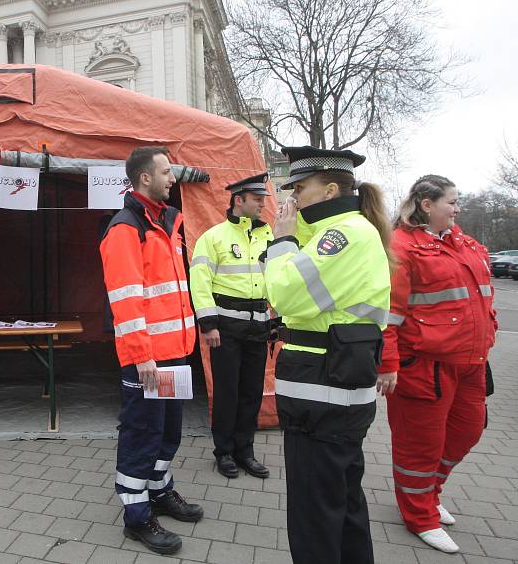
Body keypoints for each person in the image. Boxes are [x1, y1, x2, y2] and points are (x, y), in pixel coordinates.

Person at [264, 146, 392, 564]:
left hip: (322, 396)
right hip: (333, 393)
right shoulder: (341, 231)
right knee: (343, 504)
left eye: (300, 188)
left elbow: (284, 293)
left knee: (314, 515)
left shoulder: (342, 235)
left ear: (330, 189)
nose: (293, 199)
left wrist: (282, 239)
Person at [378, 175, 496, 553]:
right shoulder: (401, 246)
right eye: (452, 201)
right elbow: (388, 315)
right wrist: (388, 364)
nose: (458, 208)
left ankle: (429, 493)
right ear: (427, 205)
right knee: (420, 446)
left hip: (471, 362)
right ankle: (419, 516)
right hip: (424, 366)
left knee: (468, 431)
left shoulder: (463, 244)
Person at [100, 146, 203, 555]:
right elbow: (126, 301)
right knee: (142, 434)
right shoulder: (126, 228)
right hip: (148, 360)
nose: (172, 178)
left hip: (173, 353)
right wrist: (143, 355)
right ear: (145, 178)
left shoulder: (166, 223)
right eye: (165, 172)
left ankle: (160, 490)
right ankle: (136, 517)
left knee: (168, 431)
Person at [190, 173, 273, 479]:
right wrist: (208, 323)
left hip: (259, 327)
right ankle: (223, 452)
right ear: (239, 200)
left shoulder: (269, 237)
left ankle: (245, 451)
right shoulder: (213, 238)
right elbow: (200, 283)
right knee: (227, 392)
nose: (263, 204)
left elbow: (277, 278)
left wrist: (277, 319)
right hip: (225, 329)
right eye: (257, 199)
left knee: (251, 391)